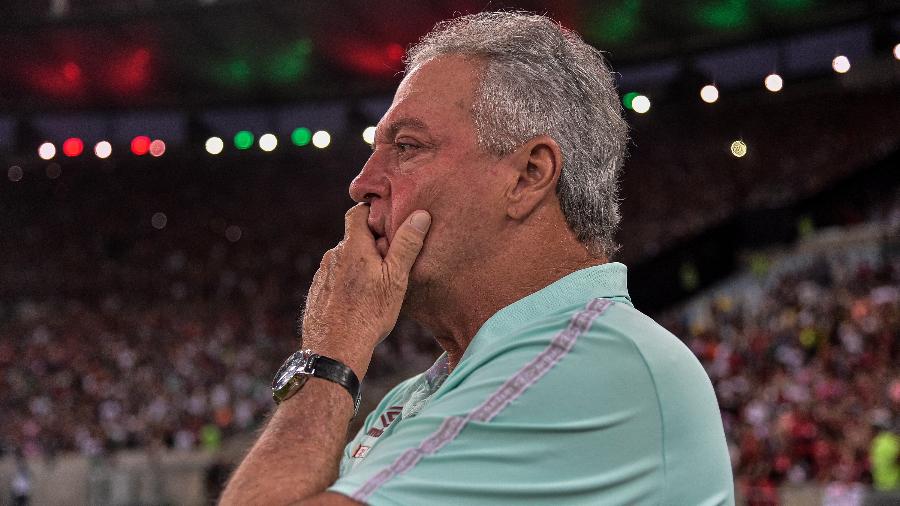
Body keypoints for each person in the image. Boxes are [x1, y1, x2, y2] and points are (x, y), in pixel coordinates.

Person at [220, 11, 734, 505]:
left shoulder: (599, 369)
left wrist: (330, 355)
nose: (362, 182)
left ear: (528, 175)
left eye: (407, 146)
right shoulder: (418, 395)